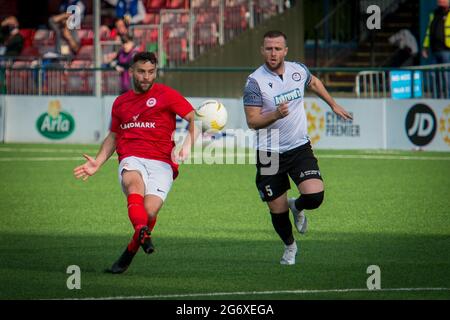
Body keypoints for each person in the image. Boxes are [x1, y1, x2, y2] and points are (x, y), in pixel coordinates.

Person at [73, 52, 198, 274]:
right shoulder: (121, 102)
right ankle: (141, 231)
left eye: (151, 72)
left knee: (149, 212)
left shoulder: (167, 94)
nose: (146, 77)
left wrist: (188, 144)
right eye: (141, 72)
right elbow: (113, 136)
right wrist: (98, 162)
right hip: (131, 155)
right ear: (131, 71)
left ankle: (131, 249)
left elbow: (192, 117)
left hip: (162, 162)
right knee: (134, 184)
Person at [243, 30, 352, 265]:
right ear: (262, 50)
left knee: (315, 196)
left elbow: (313, 82)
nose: (273, 53)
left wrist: (333, 104)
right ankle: (290, 247)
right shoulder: (254, 82)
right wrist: (275, 114)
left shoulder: (298, 70)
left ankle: (298, 205)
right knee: (277, 212)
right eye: (269, 48)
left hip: (299, 147)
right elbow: (252, 121)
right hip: (269, 153)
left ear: (285, 50)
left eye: (277, 48)